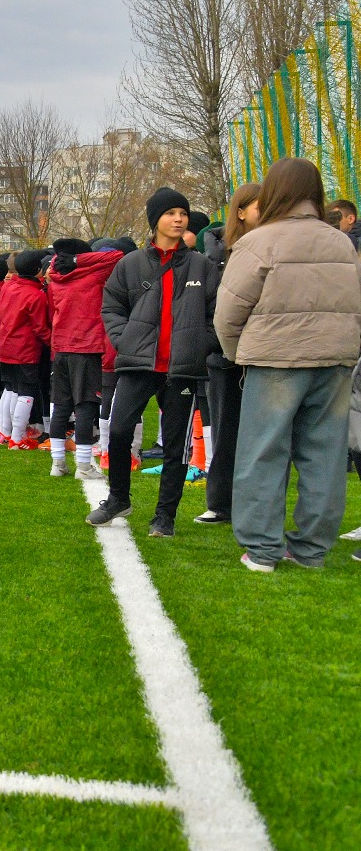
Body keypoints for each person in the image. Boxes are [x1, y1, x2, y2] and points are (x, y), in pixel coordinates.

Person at [213, 158, 361, 570]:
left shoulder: (259, 242)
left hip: (275, 360)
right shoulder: (341, 243)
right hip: (334, 359)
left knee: (263, 452)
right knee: (325, 456)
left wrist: (237, 353)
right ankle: (311, 549)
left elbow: (228, 313)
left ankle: (262, 549)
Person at [87, 187, 219, 537]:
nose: (179, 219)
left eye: (183, 213)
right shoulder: (130, 264)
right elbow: (111, 307)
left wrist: (199, 346)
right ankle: (118, 498)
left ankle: (165, 517)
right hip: (138, 365)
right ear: (155, 219)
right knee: (118, 431)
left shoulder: (202, 266)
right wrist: (124, 340)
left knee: (176, 447)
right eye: (171, 213)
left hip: (182, 369)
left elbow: (216, 314)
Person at [195, 185, 260, 525]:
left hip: (262, 354)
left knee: (264, 437)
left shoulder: (271, 245)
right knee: (225, 430)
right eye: (259, 207)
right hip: (224, 355)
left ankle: (257, 506)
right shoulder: (216, 253)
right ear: (241, 212)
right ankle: (220, 502)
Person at [45, 238, 123, 478]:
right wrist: (80, 260)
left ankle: (57, 463)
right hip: (86, 347)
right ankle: (84, 466)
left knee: (61, 406)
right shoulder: (92, 277)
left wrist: (67, 261)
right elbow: (117, 256)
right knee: (86, 405)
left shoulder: (55, 281)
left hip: (61, 348)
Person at [0, 252, 50, 448]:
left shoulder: (7, 287)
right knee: (26, 392)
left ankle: (5, 432)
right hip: (24, 348)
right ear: (38, 270)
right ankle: (17, 438)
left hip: (3, 345)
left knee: (10, 389)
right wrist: (52, 342)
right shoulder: (36, 295)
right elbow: (40, 327)